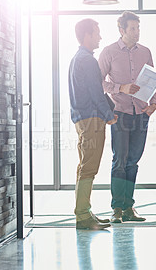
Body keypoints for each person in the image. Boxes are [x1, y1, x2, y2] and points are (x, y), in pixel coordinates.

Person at [99, 11, 156, 223]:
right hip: (120, 112)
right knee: (120, 161)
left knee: (133, 161)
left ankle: (128, 208)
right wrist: (120, 87)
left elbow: (152, 79)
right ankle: (116, 209)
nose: (136, 32)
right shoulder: (109, 52)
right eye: (132, 28)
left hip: (141, 113)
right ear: (122, 30)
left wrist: (154, 103)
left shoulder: (146, 52)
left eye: (138, 28)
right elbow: (98, 82)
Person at [68, 18, 118, 230]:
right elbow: (96, 92)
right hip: (92, 119)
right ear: (87, 35)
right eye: (97, 33)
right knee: (89, 168)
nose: (100, 37)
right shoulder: (87, 60)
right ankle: (83, 216)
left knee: (84, 167)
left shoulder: (77, 58)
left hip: (81, 118)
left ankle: (85, 212)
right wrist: (109, 114)